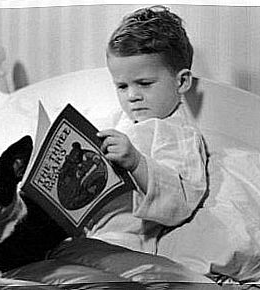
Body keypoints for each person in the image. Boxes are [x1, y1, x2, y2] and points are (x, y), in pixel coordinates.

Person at [84, 5, 208, 254]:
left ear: (181, 81)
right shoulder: (117, 119)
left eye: (144, 84)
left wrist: (136, 162)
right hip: (83, 230)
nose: (132, 96)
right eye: (121, 86)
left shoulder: (177, 133)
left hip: (125, 241)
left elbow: (180, 200)